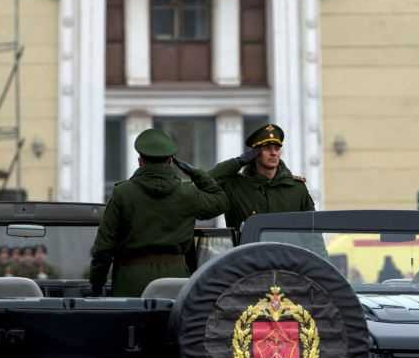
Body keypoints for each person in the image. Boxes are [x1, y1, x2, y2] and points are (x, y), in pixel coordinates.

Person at [90, 128, 228, 297]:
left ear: (140, 161)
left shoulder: (123, 193)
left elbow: (103, 248)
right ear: (170, 161)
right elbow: (221, 200)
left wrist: (96, 286)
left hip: (130, 281)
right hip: (175, 281)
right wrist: (195, 172)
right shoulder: (187, 193)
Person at [209, 123, 315, 232]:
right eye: (267, 148)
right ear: (255, 153)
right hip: (249, 244)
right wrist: (239, 162)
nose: (273, 153)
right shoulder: (235, 187)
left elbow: (313, 231)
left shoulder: (297, 188)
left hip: (287, 244)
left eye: (277, 148)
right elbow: (206, 182)